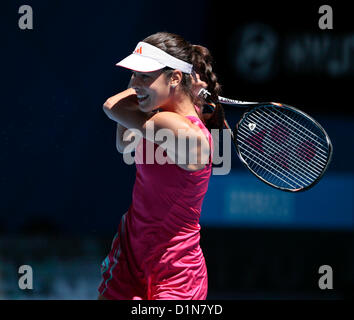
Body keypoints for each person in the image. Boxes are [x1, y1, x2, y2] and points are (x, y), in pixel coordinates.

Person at [98, 32, 225, 300]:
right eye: (133, 74)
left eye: (145, 75)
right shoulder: (156, 117)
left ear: (175, 78)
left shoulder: (172, 126)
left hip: (176, 273)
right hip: (130, 260)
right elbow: (124, 143)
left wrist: (143, 94)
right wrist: (152, 89)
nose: (134, 83)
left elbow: (111, 106)